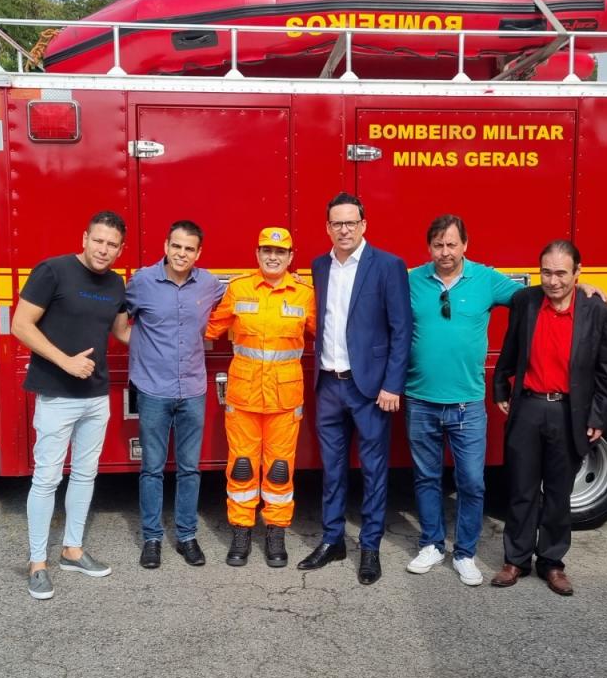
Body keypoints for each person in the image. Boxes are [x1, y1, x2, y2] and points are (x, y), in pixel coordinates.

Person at [12, 211, 131, 601]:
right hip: (57, 395)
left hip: (96, 396)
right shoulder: (53, 271)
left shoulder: (116, 283)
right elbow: (20, 324)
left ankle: (72, 551)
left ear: (120, 249)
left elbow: (122, 332)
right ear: (84, 238)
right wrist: (65, 361)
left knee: (84, 475)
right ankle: (37, 564)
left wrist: (174, 334)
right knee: (47, 478)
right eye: (99, 240)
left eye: (112, 244)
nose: (104, 249)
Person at [490, 239, 607, 596]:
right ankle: (516, 560)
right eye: (546, 272)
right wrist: (500, 386)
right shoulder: (525, 301)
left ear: (578, 273)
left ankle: (552, 562)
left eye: (562, 273)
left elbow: (606, 370)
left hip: (569, 411)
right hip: (529, 407)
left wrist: (598, 415)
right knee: (522, 489)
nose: (553, 281)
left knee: (559, 493)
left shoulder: (597, 311)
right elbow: (510, 348)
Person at [299, 193, 411, 585]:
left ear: (363, 225)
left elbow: (401, 329)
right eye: (337, 223)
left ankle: (370, 547)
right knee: (332, 470)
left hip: (370, 389)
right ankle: (333, 540)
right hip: (329, 384)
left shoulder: (388, 265)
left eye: (351, 222)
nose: (344, 229)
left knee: (374, 471)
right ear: (327, 228)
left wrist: (392, 384)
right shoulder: (319, 266)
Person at [404, 215, 519, 587]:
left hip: (467, 404)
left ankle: (465, 553)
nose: (445, 252)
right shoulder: (412, 280)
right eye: (438, 245)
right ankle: (432, 545)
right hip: (420, 400)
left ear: (465, 245)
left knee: (471, 481)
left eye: (452, 244)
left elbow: (531, 298)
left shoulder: (485, 279)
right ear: (429, 247)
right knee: (426, 477)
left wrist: (582, 288)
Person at [205, 228, 316, 567]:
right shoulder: (239, 289)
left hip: (284, 400)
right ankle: (241, 531)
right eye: (267, 250)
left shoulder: (305, 294)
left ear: (290, 257)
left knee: (280, 470)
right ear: (257, 254)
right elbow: (210, 328)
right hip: (244, 397)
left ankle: (275, 533)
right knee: (241, 468)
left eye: (280, 252)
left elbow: (329, 334)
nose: (273, 257)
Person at [125, 220, 224, 570]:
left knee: (189, 469)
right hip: (153, 390)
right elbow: (120, 323)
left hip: (193, 389)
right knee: (151, 468)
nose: (182, 253)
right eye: (176, 246)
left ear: (199, 253)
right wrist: (141, 354)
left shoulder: (209, 284)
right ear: (166, 246)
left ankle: (186, 536)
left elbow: (235, 303)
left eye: (189, 248)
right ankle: (152, 539)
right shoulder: (142, 282)